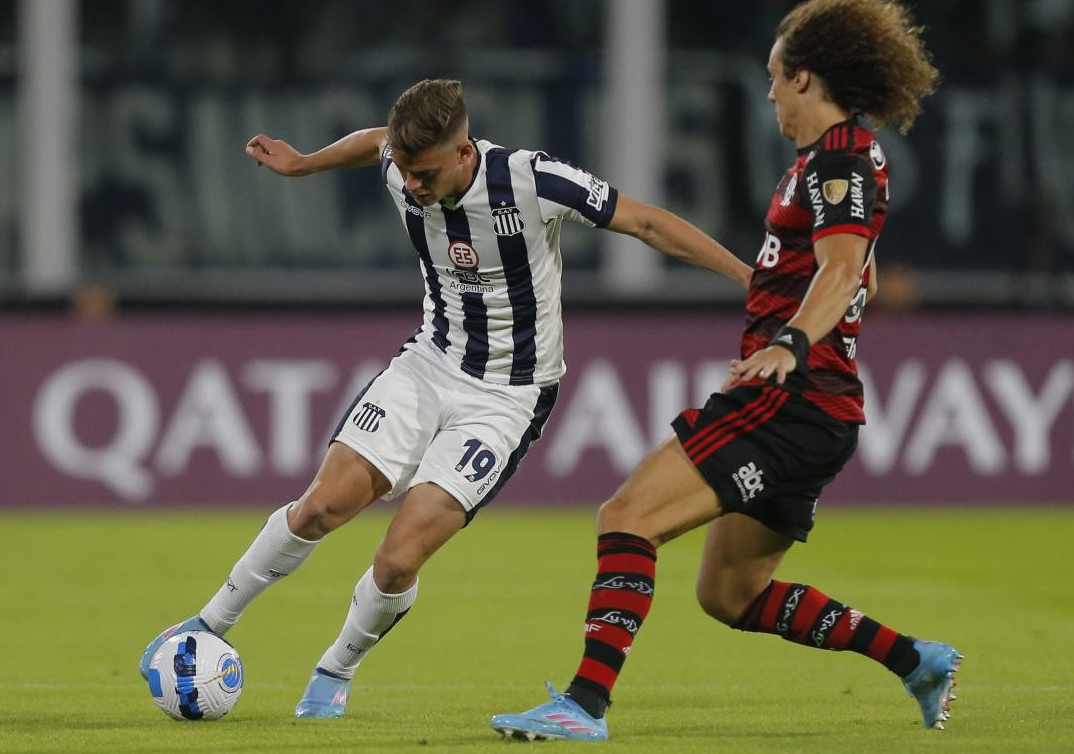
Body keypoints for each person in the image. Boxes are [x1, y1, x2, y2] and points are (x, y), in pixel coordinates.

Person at [137, 79, 752, 718]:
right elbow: (375, 143)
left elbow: (647, 222)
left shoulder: (531, 180)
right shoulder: (401, 163)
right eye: (405, 171)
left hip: (508, 398)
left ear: (464, 152)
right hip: (428, 366)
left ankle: (335, 669)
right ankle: (207, 625)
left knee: (399, 556)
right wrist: (305, 163)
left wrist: (746, 277)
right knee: (320, 507)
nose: (413, 186)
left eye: (425, 173)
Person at [490, 0, 954, 742]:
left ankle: (582, 706)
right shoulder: (832, 162)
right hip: (820, 410)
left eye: (775, 76)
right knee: (731, 593)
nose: (769, 91)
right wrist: (810, 293)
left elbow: (842, 275)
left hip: (790, 398)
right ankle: (915, 659)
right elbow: (855, 271)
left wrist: (791, 342)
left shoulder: (839, 158)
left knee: (627, 518)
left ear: (806, 77)